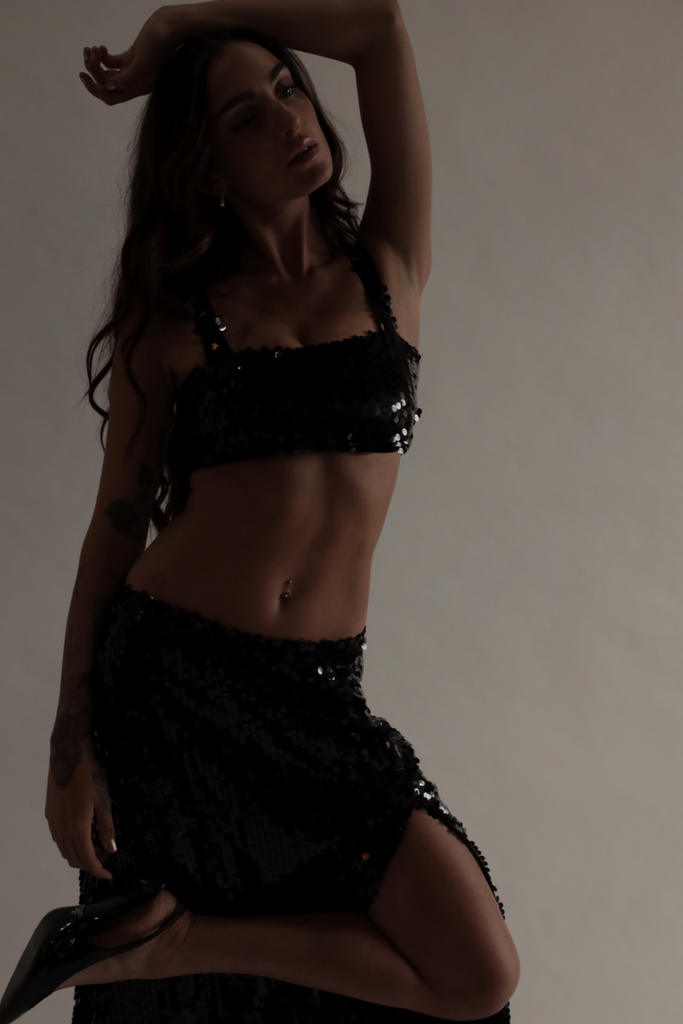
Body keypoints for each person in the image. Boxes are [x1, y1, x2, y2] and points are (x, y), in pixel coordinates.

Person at [0, 2, 520, 1022]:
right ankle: (167, 948)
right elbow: (112, 537)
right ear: (205, 169)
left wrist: (180, 22)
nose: (289, 118)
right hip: (175, 688)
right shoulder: (171, 322)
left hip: (318, 694)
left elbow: (377, 26)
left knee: (475, 972)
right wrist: (71, 750)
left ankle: (171, 941)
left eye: (287, 87)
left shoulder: (388, 267)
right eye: (246, 117)